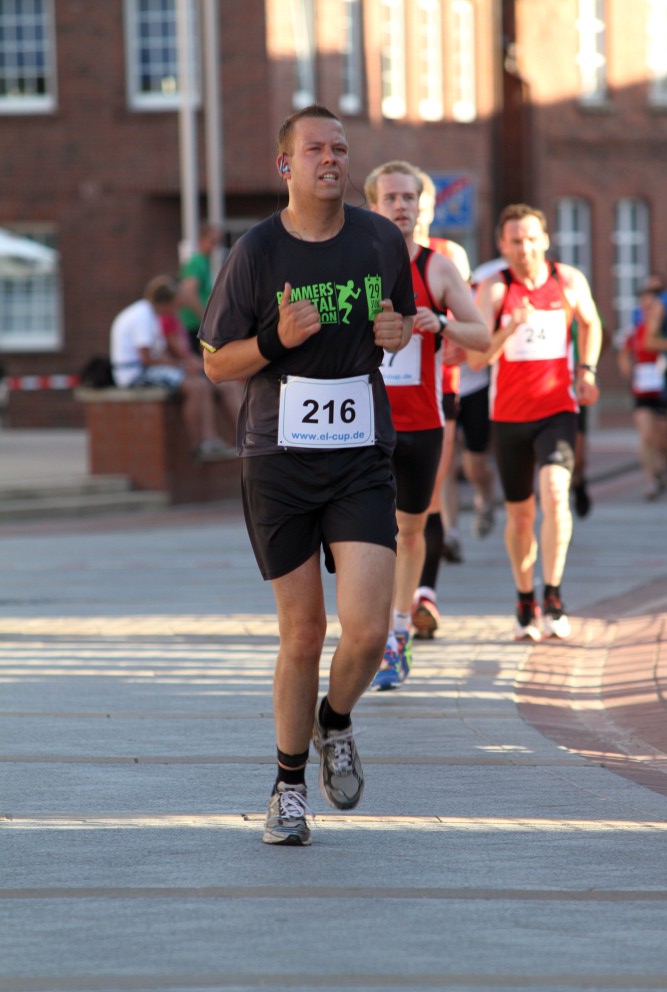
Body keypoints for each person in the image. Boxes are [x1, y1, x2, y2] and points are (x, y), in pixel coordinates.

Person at [199, 105, 416, 846]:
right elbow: (216, 362)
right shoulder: (257, 251)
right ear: (285, 164)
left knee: (368, 629)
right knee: (303, 632)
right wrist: (274, 339)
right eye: (316, 148)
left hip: (358, 454)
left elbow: (396, 325)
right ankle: (287, 789)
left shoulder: (380, 239)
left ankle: (336, 720)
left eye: (341, 148)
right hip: (278, 459)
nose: (332, 158)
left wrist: (394, 333)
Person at [363, 160, 489, 687]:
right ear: (372, 206)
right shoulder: (355, 264)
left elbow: (482, 335)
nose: (400, 206)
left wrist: (442, 324)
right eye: (390, 198)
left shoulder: (438, 268)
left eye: (408, 198)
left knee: (411, 530)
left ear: (422, 206)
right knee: (366, 535)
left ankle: (398, 634)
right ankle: (367, 631)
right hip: (363, 425)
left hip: (421, 424)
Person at [470, 204, 602, 641]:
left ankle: (554, 595)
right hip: (509, 417)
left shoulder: (568, 281)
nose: (524, 248)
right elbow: (476, 358)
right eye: (515, 241)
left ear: (545, 240)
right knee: (521, 516)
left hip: (557, 410)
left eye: (531, 239)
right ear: (502, 245)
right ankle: (525, 598)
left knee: (555, 494)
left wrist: (586, 371)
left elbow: (592, 323)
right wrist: (509, 329)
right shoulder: (494, 289)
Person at [109, 275, 236, 462]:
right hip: (133, 373)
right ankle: (199, 444)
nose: (176, 309)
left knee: (201, 383)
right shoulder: (142, 316)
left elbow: (157, 354)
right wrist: (181, 366)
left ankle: (210, 439)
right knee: (196, 387)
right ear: (165, 302)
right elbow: (146, 359)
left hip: (142, 369)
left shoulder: (149, 314)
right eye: (175, 304)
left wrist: (182, 365)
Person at [617, 276, 667, 500]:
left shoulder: (662, 330)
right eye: (644, 301)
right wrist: (627, 368)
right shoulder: (635, 332)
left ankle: (661, 469)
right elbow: (624, 354)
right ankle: (651, 479)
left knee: (662, 438)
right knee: (646, 435)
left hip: (661, 385)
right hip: (642, 388)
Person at [179, 223, 222, 353]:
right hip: (193, 324)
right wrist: (205, 319)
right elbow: (189, 294)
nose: (215, 246)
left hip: (197, 324)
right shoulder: (196, 262)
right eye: (212, 241)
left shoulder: (204, 261)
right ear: (202, 239)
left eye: (217, 242)